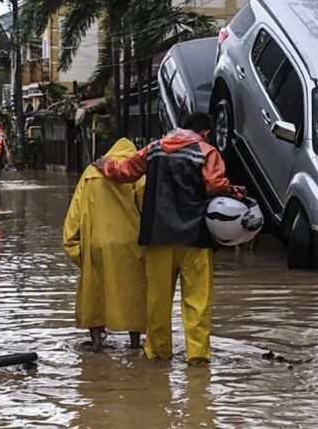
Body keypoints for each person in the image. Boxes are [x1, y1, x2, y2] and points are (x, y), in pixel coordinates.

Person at [94, 112, 244, 364]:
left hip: (157, 235)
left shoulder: (153, 150)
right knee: (197, 301)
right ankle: (197, 358)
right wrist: (236, 192)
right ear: (206, 133)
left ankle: (158, 355)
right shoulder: (206, 152)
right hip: (195, 237)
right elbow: (216, 184)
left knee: (157, 301)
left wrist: (105, 165)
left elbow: (125, 171)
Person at [63, 138, 147, 351]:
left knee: (95, 293)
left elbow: (73, 218)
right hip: (131, 243)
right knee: (134, 293)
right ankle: (135, 344)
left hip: (96, 243)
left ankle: (97, 344)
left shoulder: (90, 173)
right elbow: (148, 210)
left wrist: (76, 250)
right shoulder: (137, 173)